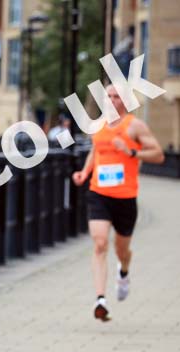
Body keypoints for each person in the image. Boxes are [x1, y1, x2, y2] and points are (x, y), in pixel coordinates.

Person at [72, 84, 164, 321]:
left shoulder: (134, 126)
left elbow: (158, 154)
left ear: (125, 101)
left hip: (125, 197)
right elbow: (96, 151)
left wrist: (132, 152)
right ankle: (100, 299)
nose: (112, 100)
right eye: (109, 96)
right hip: (99, 193)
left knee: (121, 249)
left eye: (117, 97)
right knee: (100, 243)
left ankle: (123, 273)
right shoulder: (99, 126)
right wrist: (84, 172)